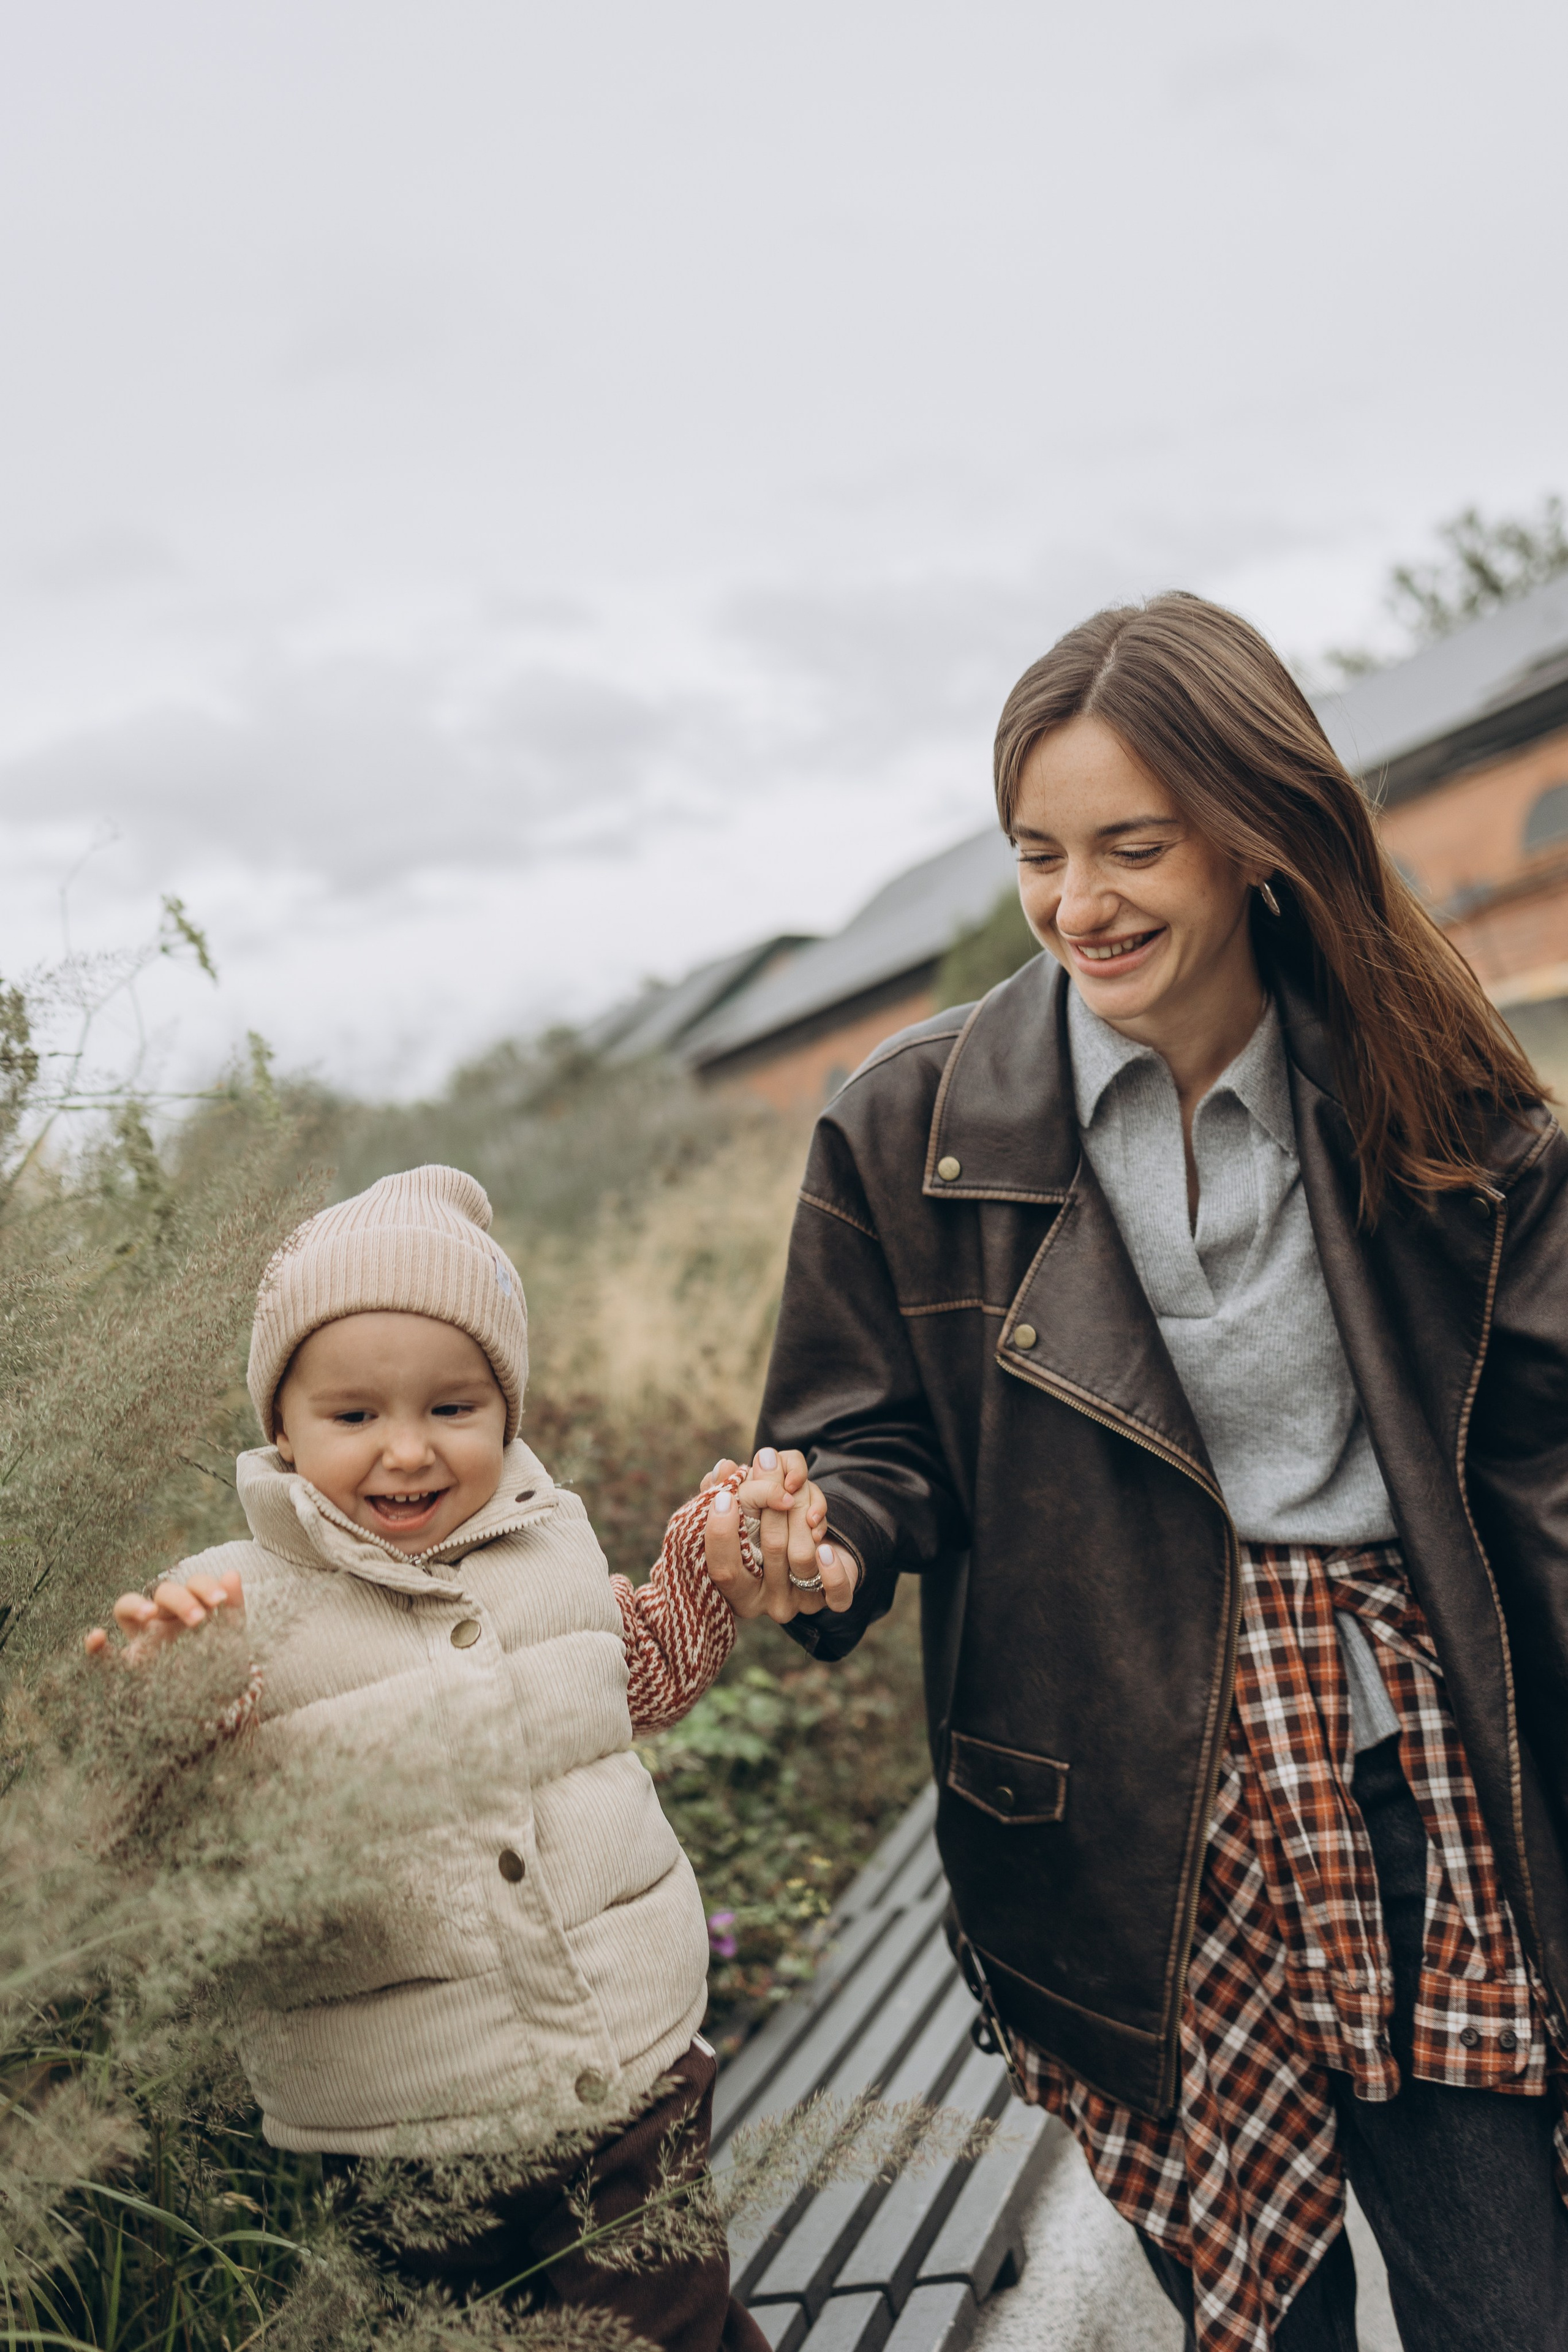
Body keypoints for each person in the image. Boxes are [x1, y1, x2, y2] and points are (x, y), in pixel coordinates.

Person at [702, 594, 1568, 2351]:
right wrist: (822, 1543)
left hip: (1408, 1778)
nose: (1077, 905)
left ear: (1255, 833)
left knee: (1511, 2302)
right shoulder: (904, 1126)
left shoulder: (1438, 1086)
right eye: (1038, 854)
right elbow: (868, 1448)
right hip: (1118, 1816)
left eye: (1131, 847)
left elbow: (1546, 1459)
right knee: (1268, 2325)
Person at [86, 1163, 831, 2352]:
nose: (405, 1453)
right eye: (353, 1416)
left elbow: (627, 1674)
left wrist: (704, 1567)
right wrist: (162, 1713)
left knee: (661, 2329)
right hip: (402, 2132)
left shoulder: (544, 1546)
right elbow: (156, 1838)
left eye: (450, 1409)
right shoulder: (232, 1608)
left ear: (507, 1413)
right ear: (281, 1423)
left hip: (626, 2076)